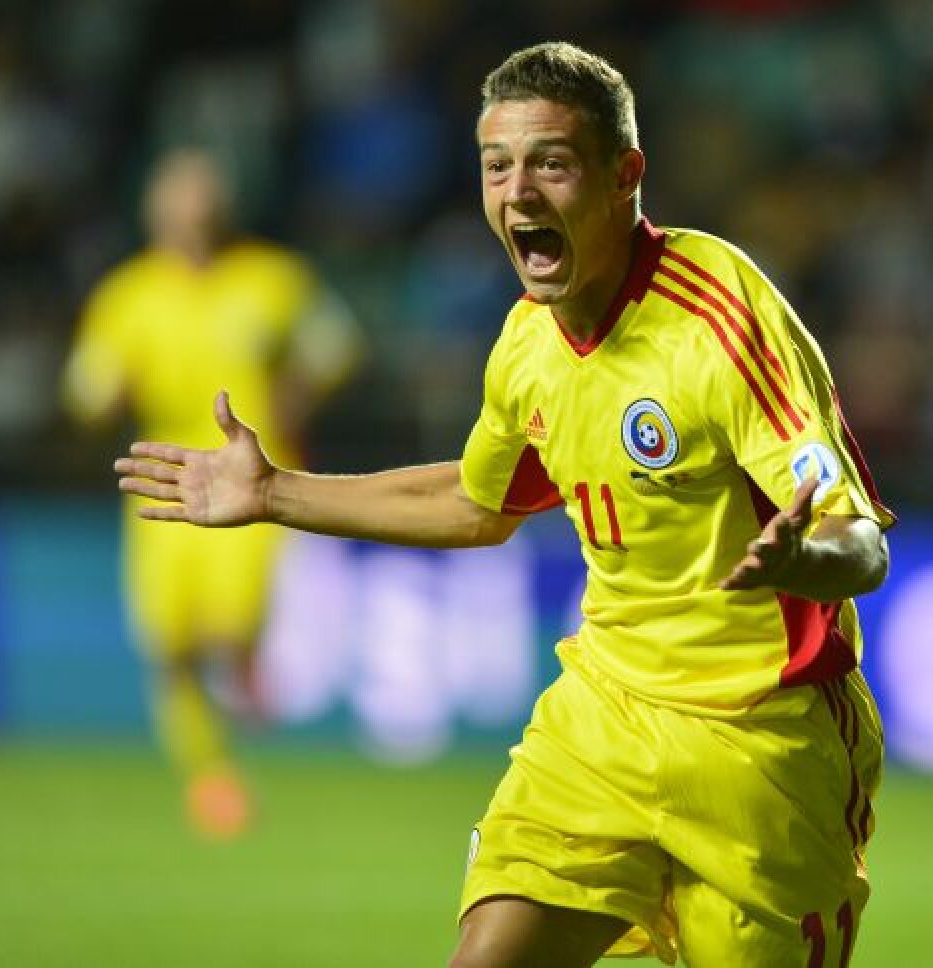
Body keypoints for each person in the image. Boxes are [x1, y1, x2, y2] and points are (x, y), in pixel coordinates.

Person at [114, 44, 892, 964]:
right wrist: (277, 491)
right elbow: (477, 502)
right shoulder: (528, 342)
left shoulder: (718, 319)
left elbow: (860, 539)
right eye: (497, 166)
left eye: (552, 163)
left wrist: (807, 559)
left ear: (624, 177)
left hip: (761, 743)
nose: (518, 191)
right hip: (605, 715)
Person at [67, 147, 362, 839]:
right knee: (169, 645)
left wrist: (295, 399)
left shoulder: (271, 279)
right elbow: (85, 390)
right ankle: (212, 778)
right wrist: (109, 395)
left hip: (252, 481)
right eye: (179, 205)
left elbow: (336, 347)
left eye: (203, 204)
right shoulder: (129, 295)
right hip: (163, 481)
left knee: (230, 625)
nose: (192, 219)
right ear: (156, 214)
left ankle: (246, 671)